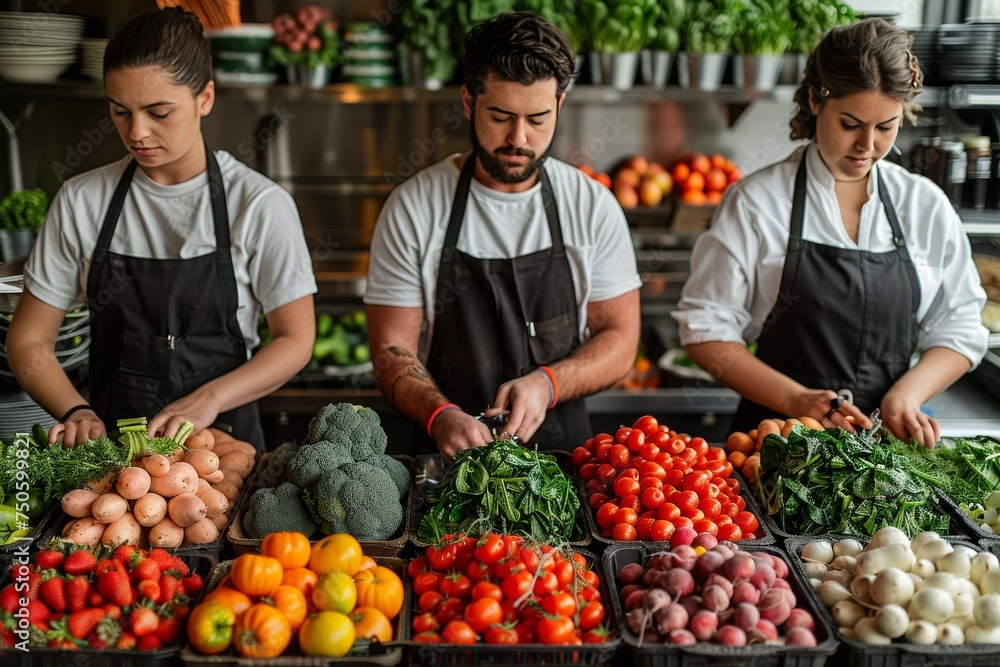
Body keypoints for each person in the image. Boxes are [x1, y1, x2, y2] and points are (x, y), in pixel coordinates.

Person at [7, 8, 317, 451]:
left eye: (159, 112)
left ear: (205, 98)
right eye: (120, 111)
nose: (137, 132)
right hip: (115, 458)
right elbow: (28, 340)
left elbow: (296, 339)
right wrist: (75, 410)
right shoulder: (82, 200)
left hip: (225, 452)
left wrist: (209, 399)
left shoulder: (259, 205)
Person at [673, 18, 988, 448]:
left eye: (885, 127)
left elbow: (961, 326)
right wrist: (797, 400)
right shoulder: (756, 202)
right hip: (774, 444)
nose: (867, 146)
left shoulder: (924, 205)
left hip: (886, 455)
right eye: (851, 123)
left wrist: (906, 395)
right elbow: (705, 331)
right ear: (814, 100)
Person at [364, 11, 641, 458]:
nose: (519, 138)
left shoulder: (591, 206)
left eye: (538, 118)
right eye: (501, 116)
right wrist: (440, 415)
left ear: (560, 106)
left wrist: (547, 384)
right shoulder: (414, 207)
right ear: (469, 101)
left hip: (560, 468)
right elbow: (393, 350)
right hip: (443, 459)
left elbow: (621, 341)